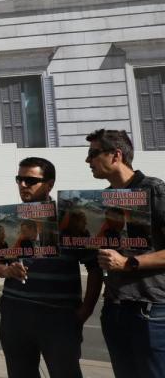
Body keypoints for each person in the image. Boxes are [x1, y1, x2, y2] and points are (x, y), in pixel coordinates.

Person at [0, 156, 101, 378]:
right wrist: (6, 271)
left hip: (59, 317)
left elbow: (94, 268)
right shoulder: (9, 218)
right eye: (19, 179)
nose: (23, 185)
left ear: (50, 184)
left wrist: (84, 312)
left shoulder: (69, 221)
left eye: (30, 180)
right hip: (14, 313)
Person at [84, 129, 165, 377]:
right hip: (114, 309)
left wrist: (128, 262)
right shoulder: (102, 199)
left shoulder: (154, 190)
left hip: (150, 310)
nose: (88, 161)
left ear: (116, 155)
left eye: (93, 154)